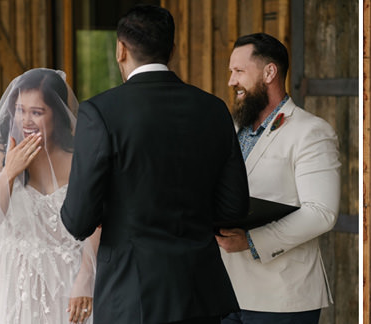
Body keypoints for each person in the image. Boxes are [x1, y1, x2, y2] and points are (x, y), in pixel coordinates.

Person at [60, 4, 249, 324]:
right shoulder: (213, 109)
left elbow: (78, 221)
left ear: (121, 49)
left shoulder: (101, 112)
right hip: (199, 293)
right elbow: (233, 208)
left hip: (132, 295)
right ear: (171, 50)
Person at [0, 68, 98, 324]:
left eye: (36, 112)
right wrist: (9, 173)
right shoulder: (0, 155)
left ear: (57, 115)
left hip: (69, 282)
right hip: (16, 286)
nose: (25, 120)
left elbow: (97, 218)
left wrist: (85, 277)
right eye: (19, 109)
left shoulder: (79, 159)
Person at [216, 33, 340, 324]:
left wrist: (250, 240)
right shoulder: (232, 127)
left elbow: (322, 213)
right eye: (231, 72)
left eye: (239, 71)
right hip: (225, 293)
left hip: (283, 298)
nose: (232, 81)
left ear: (269, 72)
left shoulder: (312, 131)